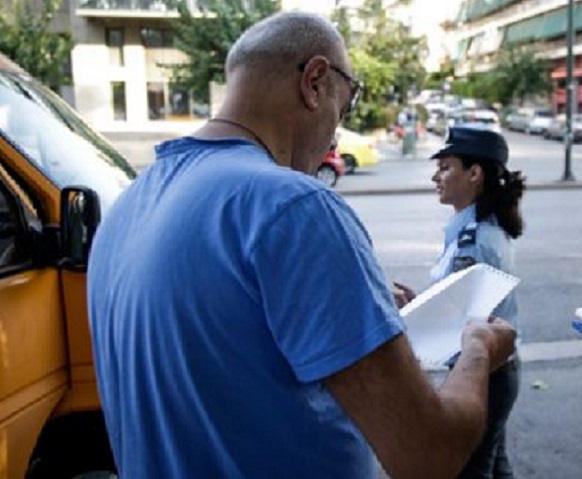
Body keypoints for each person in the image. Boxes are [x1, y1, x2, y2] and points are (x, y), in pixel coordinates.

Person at [87, 12, 516, 478]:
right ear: (315, 82)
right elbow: (428, 454)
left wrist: (349, 309)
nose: (335, 133)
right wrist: (478, 347)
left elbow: (218, 356)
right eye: (345, 108)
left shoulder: (129, 205)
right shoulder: (293, 207)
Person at [394, 126, 526, 478]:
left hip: (484, 371)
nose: (436, 176)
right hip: (496, 368)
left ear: (474, 174)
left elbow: (464, 320)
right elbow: (468, 305)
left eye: (446, 167)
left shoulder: (474, 239)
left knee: (470, 471)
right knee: (494, 466)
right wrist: (424, 302)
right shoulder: (481, 227)